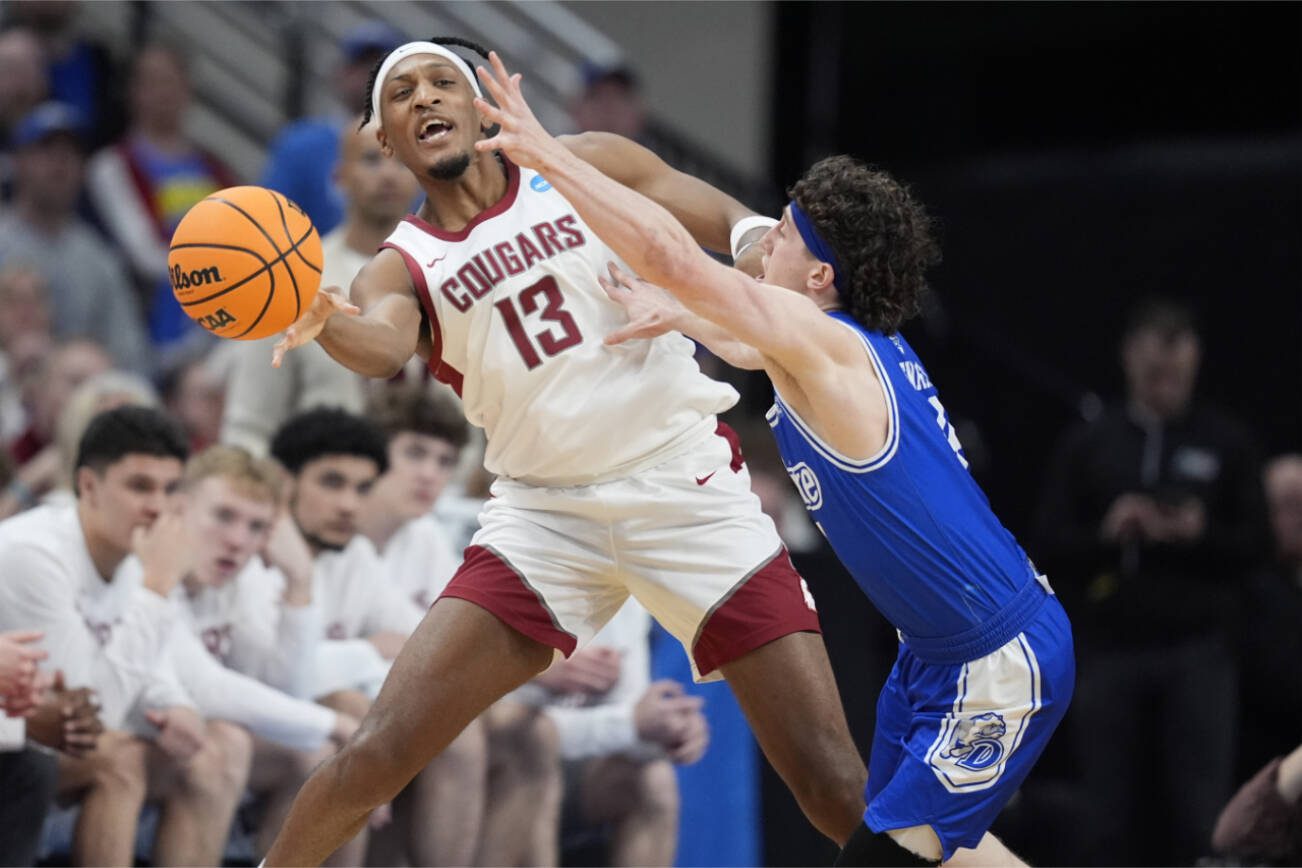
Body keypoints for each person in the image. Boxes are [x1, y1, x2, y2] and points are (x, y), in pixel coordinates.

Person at [264, 39, 865, 866]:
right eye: (401, 93)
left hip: (683, 490)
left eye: (445, 80)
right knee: (377, 752)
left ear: (483, 106)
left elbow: (711, 211)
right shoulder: (401, 268)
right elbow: (376, 345)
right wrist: (317, 312)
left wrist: (757, 236)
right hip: (545, 519)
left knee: (831, 783)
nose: (426, 96)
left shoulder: (576, 165)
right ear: (384, 138)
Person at [473, 54, 1076, 866]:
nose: (765, 246)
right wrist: (677, 314)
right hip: (936, 654)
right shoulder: (834, 345)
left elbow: (680, 257)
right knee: (927, 848)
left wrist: (547, 156)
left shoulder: (824, 341)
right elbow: (744, 339)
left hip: (996, 657)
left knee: (881, 856)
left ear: (820, 275)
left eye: (784, 237)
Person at [1034, 297, 1265, 865]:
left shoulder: (1226, 441)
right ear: (1129, 358)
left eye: (1176, 367)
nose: (1165, 379)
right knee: (1105, 813)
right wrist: (1111, 533)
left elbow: (1258, 545)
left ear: (1195, 361)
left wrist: (1198, 531)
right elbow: (1047, 544)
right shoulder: (1092, 442)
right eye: (1154, 366)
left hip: (1199, 649)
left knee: (1201, 811)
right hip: (1112, 649)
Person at [0, 405, 251, 865]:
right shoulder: (32, 554)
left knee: (221, 748)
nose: (157, 506)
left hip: (33, 736)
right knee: (118, 758)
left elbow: (167, 666)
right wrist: (157, 588)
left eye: (171, 489)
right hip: (19, 744)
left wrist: (173, 702)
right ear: (88, 486)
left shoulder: (137, 554)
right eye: (140, 486)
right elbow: (92, 717)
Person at [270, 406, 490, 865]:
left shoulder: (353, 555)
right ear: (286, 483)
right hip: (248, 714)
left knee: (452, 727)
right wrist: (364, 652)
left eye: (362, 488)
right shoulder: (253, 544)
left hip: (304, 708)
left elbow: (423, 640)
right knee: (359, 724)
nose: (350, 503)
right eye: (333, 483)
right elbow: (272, 672)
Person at [153, 445, 362, 862]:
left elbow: (287, 689)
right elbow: (204, 687)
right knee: (227, 742)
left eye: (256, 527)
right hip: (104, 736)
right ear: (179, 509)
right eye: (223, 516)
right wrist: (336, 723)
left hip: (168, 736)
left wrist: (299, 581)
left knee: (317, 757)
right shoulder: (151, 566)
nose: (236, 541)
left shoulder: (240, 578)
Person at [223, 116, 418, 456]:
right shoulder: (291, 278)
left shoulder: (450, 275)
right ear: (338, 177)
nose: (388, 173)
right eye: (372, 159)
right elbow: (249, 424)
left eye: (402, 160)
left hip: (443, 498)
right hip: (319, 490)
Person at [86, 43, 238, 355]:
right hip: (147, 316)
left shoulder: (215, 167)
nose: (163, 93)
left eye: (171, 81)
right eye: (152, 82)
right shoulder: (111, 165)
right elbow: (143, 255)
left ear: (187, 88)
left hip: (220, 312)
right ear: (132, 91)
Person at [0, 102, 151, 374]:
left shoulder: (100, 258)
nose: (60, 162)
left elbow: (131, 360)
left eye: (71, 152)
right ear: (18, 160)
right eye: (46, 149)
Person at [260, 22, 405, 235]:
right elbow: (269, 220)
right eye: (363, 65)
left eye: (384, 68)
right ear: (341, 74)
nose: (372, 75)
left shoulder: (415, 147)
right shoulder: (300, 145)